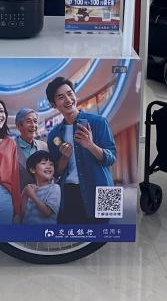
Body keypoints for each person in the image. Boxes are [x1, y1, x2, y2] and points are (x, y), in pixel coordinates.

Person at [44, 76, 116, 224]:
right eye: (61, 97)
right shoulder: (54, 135)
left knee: (104, 234)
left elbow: (111, 158)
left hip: (103, 188)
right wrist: (64, 158)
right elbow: (56, 172)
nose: (68, 100)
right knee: (71, 235)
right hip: (70, 192)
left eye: (70, 94)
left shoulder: (99, 122)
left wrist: (90, 145)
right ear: (53, 104)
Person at [20, 151, 61, 225]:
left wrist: (32, 195)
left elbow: (47, 213)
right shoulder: (28, 188)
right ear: (32, 169)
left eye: (51, 164)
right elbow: (21, 215)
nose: (49, 167)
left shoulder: (54, 188)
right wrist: (25, 195)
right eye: (43, 163)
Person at [11, 108, 46, 192]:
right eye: (29, 121)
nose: (33, 125)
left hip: (43, 195)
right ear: (19, 126)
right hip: (20, 196)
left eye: (35, 121)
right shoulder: (10, 148)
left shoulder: (44, 146)